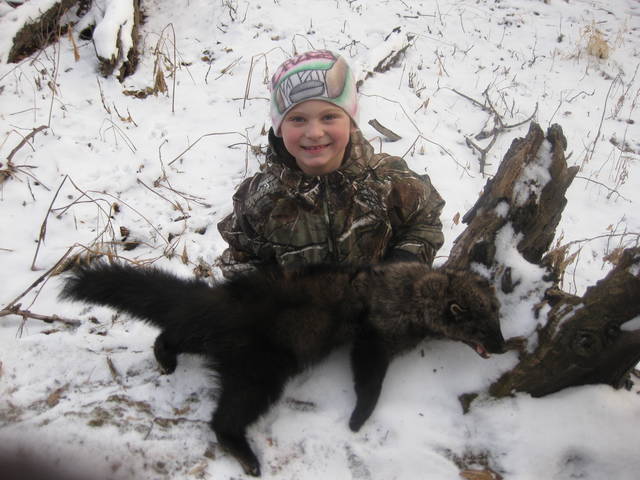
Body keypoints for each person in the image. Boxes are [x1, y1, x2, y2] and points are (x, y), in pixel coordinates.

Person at [217, 49, 444, 278]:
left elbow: (424, 220)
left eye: (329, 117)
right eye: (297, 119)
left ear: (351, 122)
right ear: (279, 128)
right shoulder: (260, 200)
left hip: (377, 297)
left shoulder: (387, 179)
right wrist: (266, 293)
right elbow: (240, 258)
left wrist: (403, 264)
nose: (314, 133)